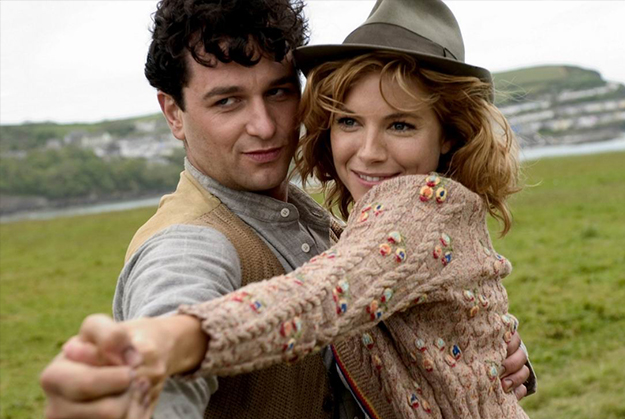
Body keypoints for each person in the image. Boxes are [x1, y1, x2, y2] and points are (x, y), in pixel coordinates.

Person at [40, 0, 535, 418]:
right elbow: (171, 344)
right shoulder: (185, 247)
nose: (264, 125)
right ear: (174, 113)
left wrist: (480, 352)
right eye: (228, 101)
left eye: (278, 92)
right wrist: (146, 362)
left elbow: (359, 289)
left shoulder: (329, 216)